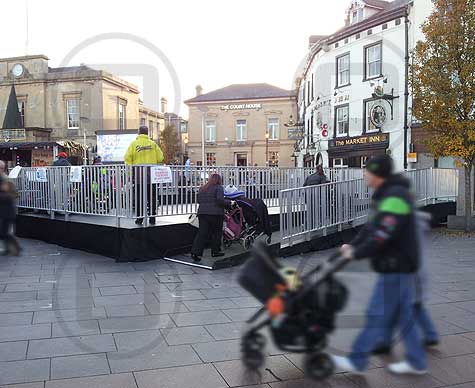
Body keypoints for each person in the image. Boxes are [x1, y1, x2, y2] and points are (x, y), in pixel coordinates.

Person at [331, 154, 427, 375]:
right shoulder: (386, 195)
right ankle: (417, 361)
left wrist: (355, 253)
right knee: (403, 313)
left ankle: (357, 361)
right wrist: (352, 245)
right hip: (399, 263)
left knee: (376, 312)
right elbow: (370, 228)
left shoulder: (394, 198)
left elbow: (381, 234)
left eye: (367, 171)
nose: (364, 174)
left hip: (396, 264)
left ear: (377, 174)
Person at [372, 210, 439, 354]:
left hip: (407, 271)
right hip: (415, 270)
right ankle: (430, 334)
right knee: (414, 305)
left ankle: (385, 341)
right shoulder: (414, 221)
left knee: (396, 306)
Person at [124, 126, 164, 225]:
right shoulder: (153, 144)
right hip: (152, 176)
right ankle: (152, 217)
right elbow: (160, 158)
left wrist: (130, 174)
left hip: (138, 176)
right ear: (147, 133)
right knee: (152, 197)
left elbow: (127, 160)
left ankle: (139, 218)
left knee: (139, 197)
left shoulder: (133, 144)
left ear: (139, 133)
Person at [191, 173, 232, 262]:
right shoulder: (219, 188)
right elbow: (220, 200)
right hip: (215, 214)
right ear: (219, 180)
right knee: (216, 233)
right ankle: (215, 251)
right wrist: (229, 202)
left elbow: (198, 200)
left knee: (202, 233)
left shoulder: (202, 188)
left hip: (202, 213)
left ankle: (195, 252)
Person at [0, 161, 20, 256]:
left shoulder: (5, 180)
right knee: (4, 231)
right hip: (5, 210)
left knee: (5, 231)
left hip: (7, 210)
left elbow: (13, 195)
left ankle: (15, 246)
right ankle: (8, 248)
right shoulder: (3, 179)